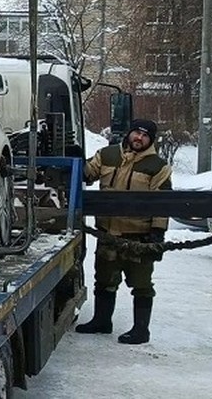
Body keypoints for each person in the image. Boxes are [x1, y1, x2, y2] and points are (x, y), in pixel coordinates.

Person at [75, 118, 172, 345]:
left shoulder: (158, 166)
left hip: (139, 237)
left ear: (151, 140)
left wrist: (157, 233)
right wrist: (76, 158)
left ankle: (141, 330)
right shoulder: (107, 155)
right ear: (129, 133)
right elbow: (86, 174)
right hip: (108, 234)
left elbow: (162, 203)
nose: (139, 138)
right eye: (136, 133)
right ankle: (101, 321)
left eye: (145, 135)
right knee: (104, 280)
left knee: (142, 285)